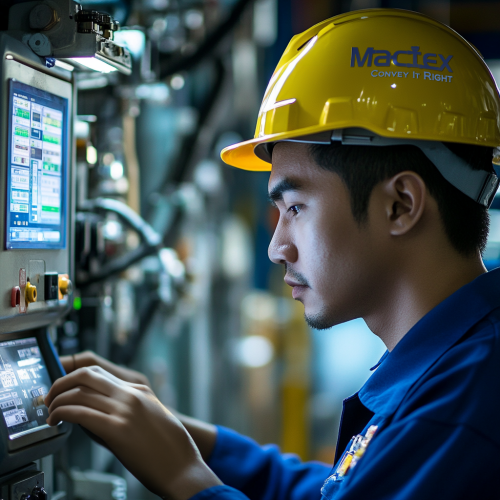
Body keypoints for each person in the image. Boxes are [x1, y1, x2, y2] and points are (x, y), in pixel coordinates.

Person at [45, 8, 500, 500]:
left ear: (400, 205)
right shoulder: (459, 369)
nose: (277, 247)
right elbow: (338, 491)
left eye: (297, 206)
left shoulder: (463, 408)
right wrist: (172, 431)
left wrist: (184, 478)